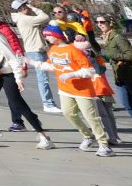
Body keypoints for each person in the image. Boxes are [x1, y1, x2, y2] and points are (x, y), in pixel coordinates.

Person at [0, 8, 50, 147]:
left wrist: (18, 78)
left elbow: (11, 58)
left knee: (18, 103)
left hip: (8, 74)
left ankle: (44, 136)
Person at [43, 23, 112, 155]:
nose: (47, 38)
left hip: (83, 90)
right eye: (46, 36)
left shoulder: (73, 50)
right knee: (68, 113)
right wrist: (31, 62)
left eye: (48, 35)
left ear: (56, 35)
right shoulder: (53, 50)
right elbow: (50, 66)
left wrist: (72, 74)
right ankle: (88, 136)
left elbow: (90, 70)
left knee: (91, 117)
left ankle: (104, 145)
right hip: (65, 89)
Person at [96, 16, 132, 141]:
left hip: (131, 76)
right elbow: (112, 58)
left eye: (102, 22)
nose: (99, 24)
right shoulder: (108, 38)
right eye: (97, 22)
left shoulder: (118, 37)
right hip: (120, 77)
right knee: (127, 105)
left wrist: (110, 55)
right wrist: (100, 56)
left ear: (110, 23)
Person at [9, 0, 59, 120]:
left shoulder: (23, 18)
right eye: (26, 5)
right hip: (35, 50)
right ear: (23, 7)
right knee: (43, 79)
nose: (28, 7)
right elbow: (45, 17)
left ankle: (49, 103)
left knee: (45, 77)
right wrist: (34, 8)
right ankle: (48, 104)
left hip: (36, 49)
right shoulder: (25, 19)